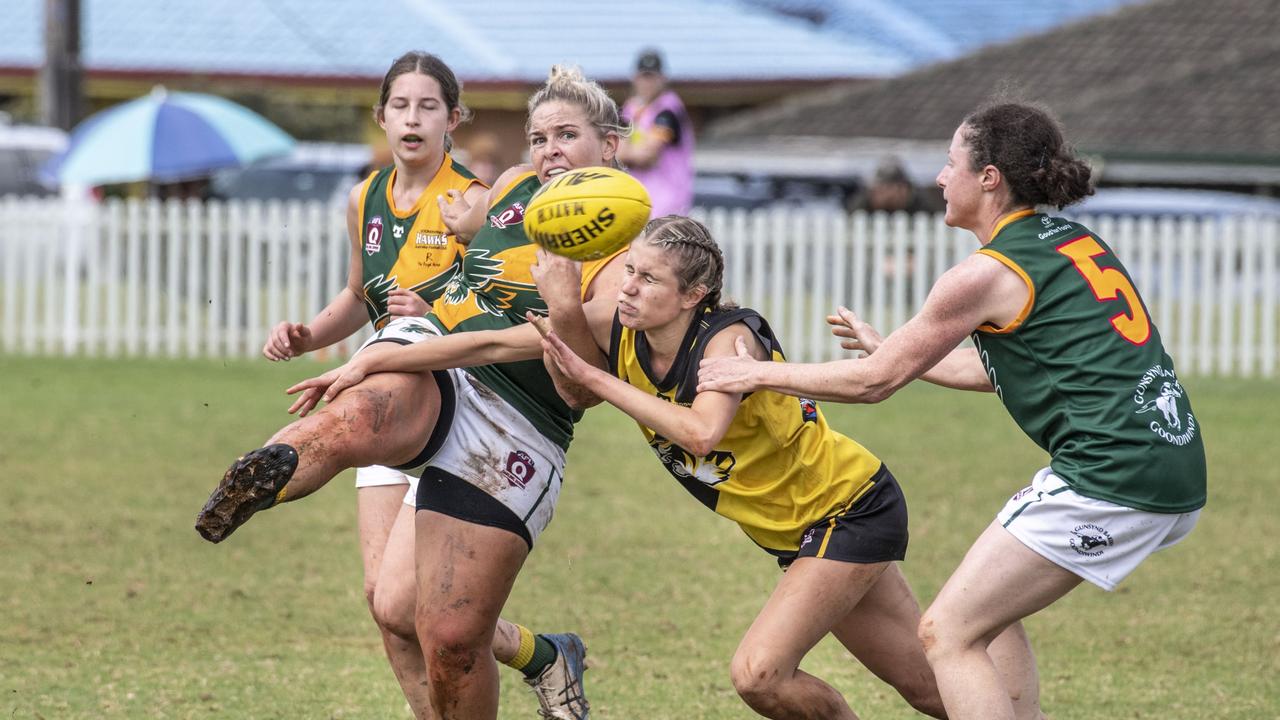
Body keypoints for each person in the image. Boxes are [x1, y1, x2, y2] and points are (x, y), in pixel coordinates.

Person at [697, 101, 1207, 720]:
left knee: (947, 633)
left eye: (949, 161)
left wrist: (755, 372)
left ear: (989, 176)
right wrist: (899, 353)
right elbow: (1016, 369)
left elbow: (872, 385)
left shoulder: (984, 274)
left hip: (1112, 474)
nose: (940, 178)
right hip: (1165, 458)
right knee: (988, 620)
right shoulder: (1070, 242)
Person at [197, 65, 634, 720]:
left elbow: (586, 385)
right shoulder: (514, 187)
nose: (549, 152)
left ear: (610, 146)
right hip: (435, 354)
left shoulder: (630, 250)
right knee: (368, 409)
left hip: (521, 418)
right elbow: (468, 256)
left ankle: (544, 657)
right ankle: (273, 468)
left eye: (567, 136)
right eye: (539, 138)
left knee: (434, 626)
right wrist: (462, 237)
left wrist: (565, 305)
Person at [523, 215, 947, 719]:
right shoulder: (624, 326)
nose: (628, 287)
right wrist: (410, 348)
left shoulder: (729, 337)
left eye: (648, 277)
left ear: (694, 293)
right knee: (932, 691)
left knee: (759, 675)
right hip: (803, 530)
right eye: (628, 270)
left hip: (849, 508)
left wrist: (597, 377)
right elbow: (493, 345)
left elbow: (702, 434)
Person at [618, 49, 694, 216]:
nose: (648, 83)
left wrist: (629, 152)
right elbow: (619, 152)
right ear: (635, 79)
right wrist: (630, 153)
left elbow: (647, 154)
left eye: (652, 78)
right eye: (644, 77)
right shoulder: (630, 109)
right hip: (639, 199)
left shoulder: (668, 110)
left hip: (668, 203)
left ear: (663, 79)